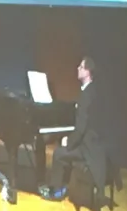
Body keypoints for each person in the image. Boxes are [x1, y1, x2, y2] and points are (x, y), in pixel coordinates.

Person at [42, 57, 105, 201]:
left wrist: (69, 142)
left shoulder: (86, 97)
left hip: (88, 149)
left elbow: (81, 128)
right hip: (95, 145)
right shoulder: (92, 91)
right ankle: (62, 185)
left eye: (81, 67)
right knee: (64, 150)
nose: (78, 68)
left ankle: (56, 192)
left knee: (59, 153)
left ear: (88, 72)